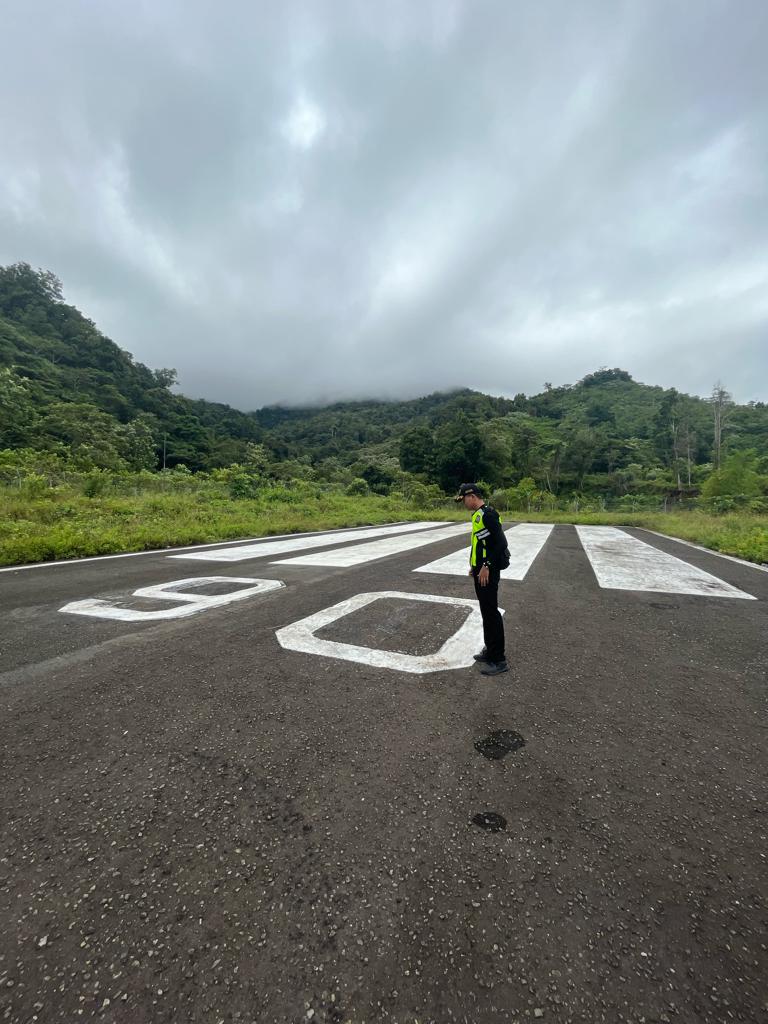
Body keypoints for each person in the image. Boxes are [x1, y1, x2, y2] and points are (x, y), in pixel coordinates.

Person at [454, 483, 508, 676]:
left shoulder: (487, 514)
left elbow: (501, 543)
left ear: (472, 497)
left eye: (464, 500)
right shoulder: (478, 515)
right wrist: (474, 565)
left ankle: (499, 659)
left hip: (488, 572)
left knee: (491, 612)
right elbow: (482, 544)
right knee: (486, 611)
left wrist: (486, 566)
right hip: (480, 569)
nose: (463, 504)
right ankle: (490, 649)